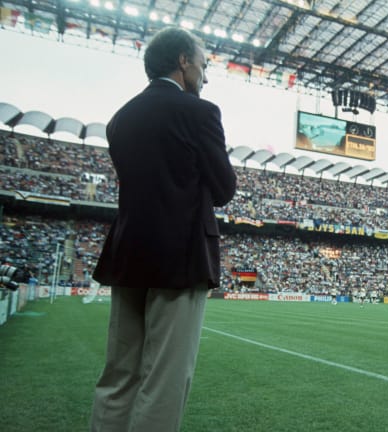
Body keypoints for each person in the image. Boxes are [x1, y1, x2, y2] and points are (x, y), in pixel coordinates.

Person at [90, 27, 237, 432]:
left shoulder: (120, 118)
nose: (206, 76)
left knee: (119, 374)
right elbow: (224, 189)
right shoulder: (200, 112)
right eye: (203, 65)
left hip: (129, 254)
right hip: (181, 258)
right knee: (164, 379)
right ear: (184, 62)